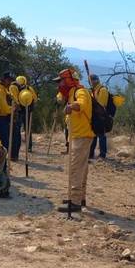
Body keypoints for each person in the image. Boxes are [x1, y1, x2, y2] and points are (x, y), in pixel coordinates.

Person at [54, 68, 94, 213]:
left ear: (69, 80)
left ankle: (75, 202)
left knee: (76, 168)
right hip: (78, 135)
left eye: (62, 81)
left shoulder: (80, 92)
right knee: (81, 168)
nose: (60, 85)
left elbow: (81, 104)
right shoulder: (72, 92)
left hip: (82, 136)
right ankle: (78, 197)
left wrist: (71, 106)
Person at [0, 71, 21, 161]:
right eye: (9, 81)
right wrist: (14, 107)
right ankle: (1, 167)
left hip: (6, 119)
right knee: (3, 144)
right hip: (0, 119)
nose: (10, 83)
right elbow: (5, 109)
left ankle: (4, 165)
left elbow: (9, 96)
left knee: (9, 141)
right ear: (5, 80)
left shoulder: (4, 87)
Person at [11, 76, 38, 152]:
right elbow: (35, 99)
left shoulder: (15, 89)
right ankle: (29, 146)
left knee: (17, 129)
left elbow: (14, 98)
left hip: (19, 111)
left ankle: (17, 146)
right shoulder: (29, 88)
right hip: (27, 111)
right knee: (27, 129)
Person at [88, 74, 109, 160]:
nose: (91, 82)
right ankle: (90, 154)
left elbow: (101, 105)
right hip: (94, 116)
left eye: (92, 80)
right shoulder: (93, 90)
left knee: (101, 136)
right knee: (93, 136)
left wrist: (93, 101)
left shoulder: (102, 90)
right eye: (90, 81)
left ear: (96, 80)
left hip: (101, 117)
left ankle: (102, 155)